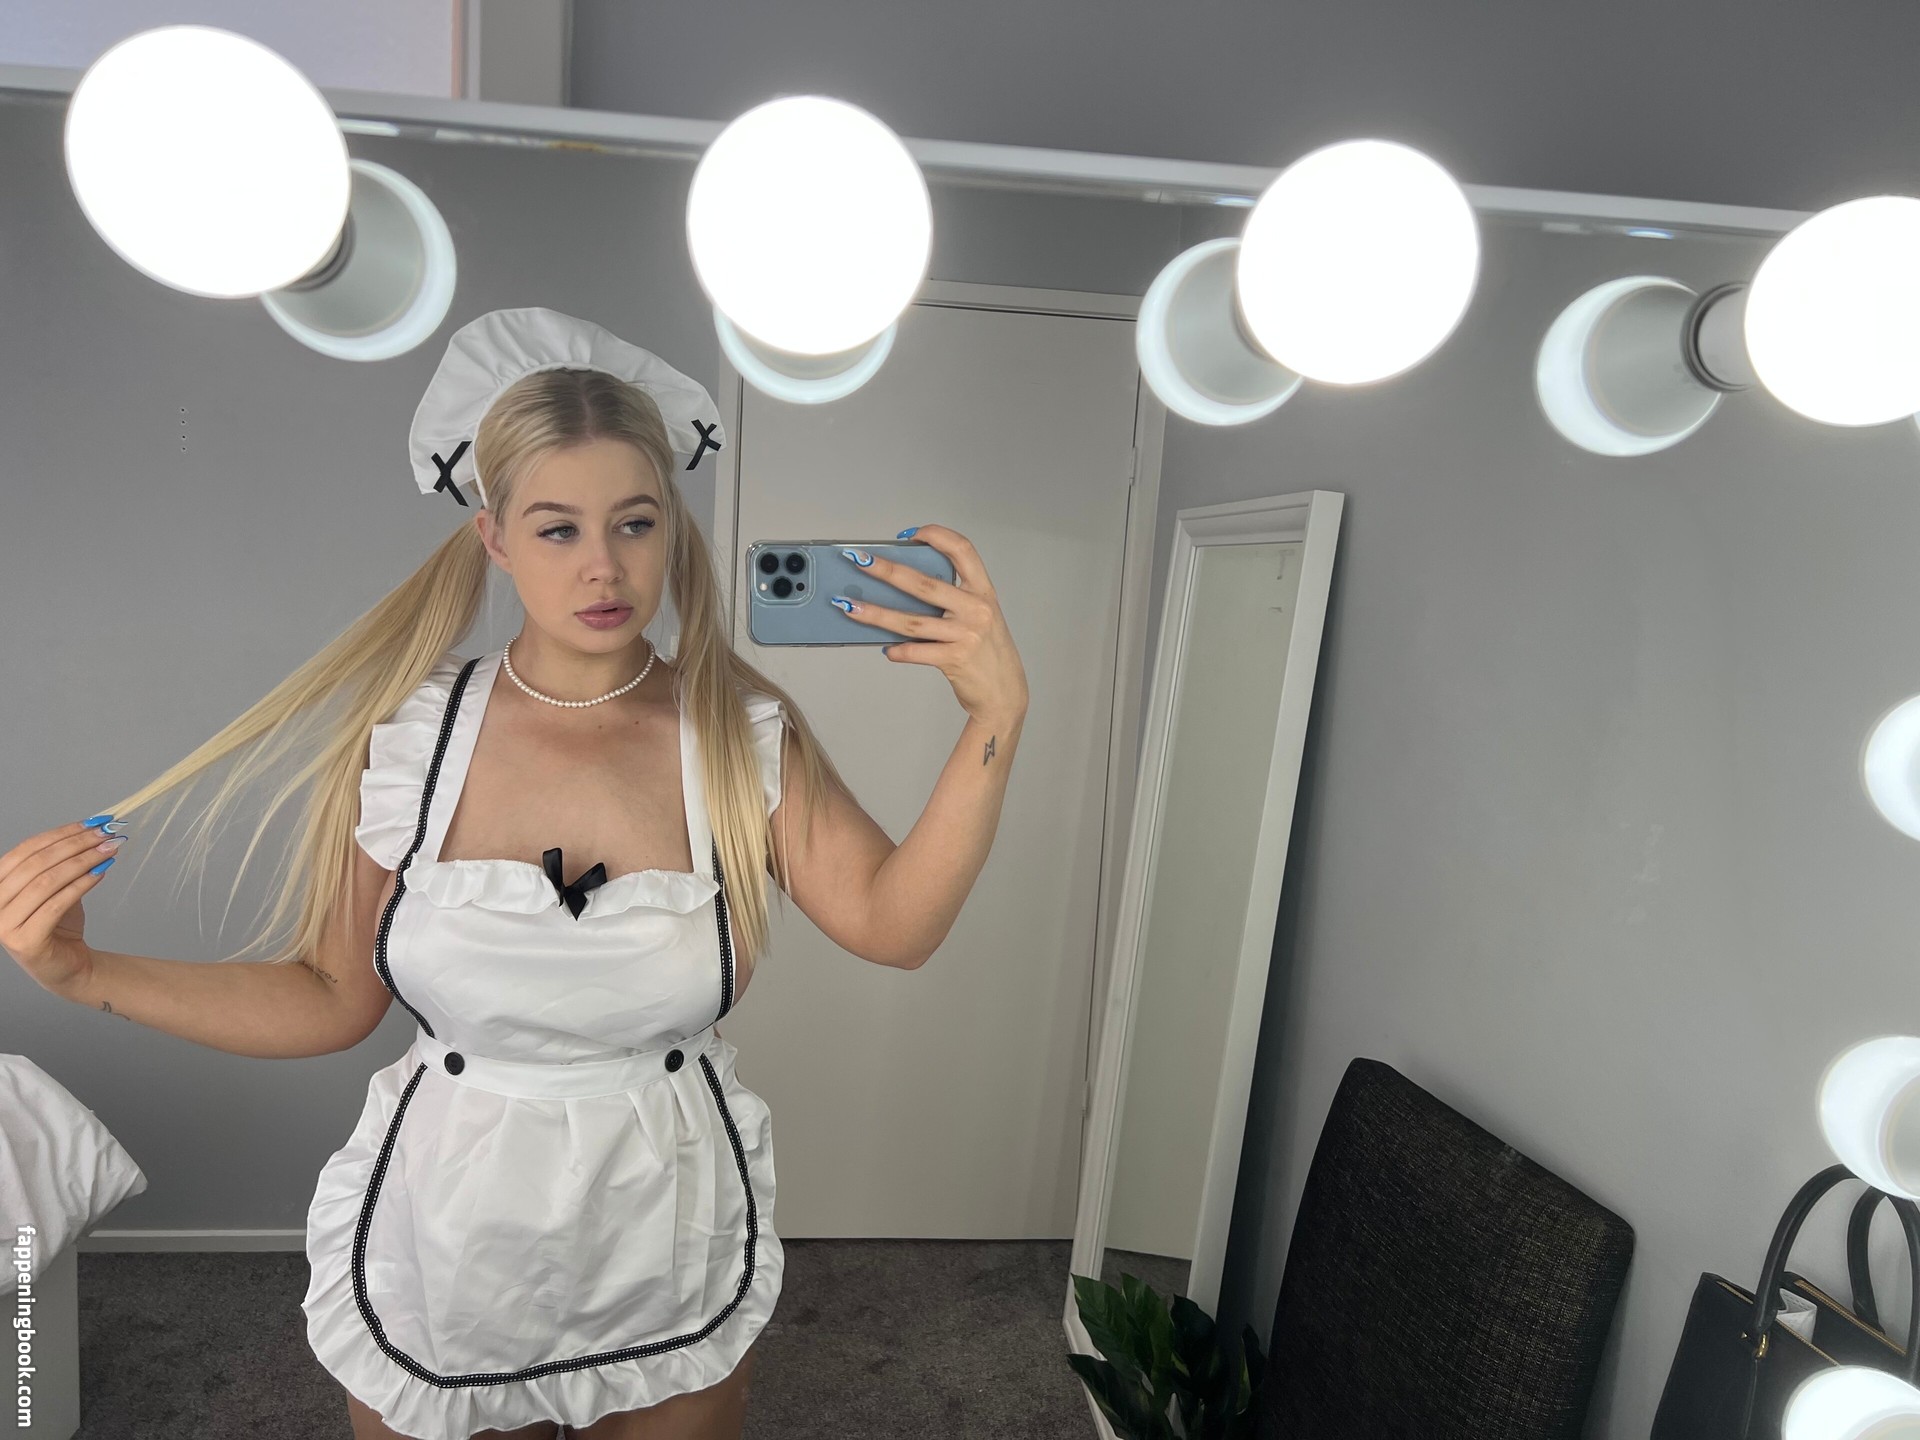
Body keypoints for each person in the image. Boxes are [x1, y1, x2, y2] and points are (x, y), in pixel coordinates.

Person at [0, 308, 1030, 1440]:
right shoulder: (411, 738)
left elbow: (895, 924)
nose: (604, 566)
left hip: (663, 1217)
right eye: (557, 528)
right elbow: (331, 997)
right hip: (451, 1225)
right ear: (494, 538)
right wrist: (85, 973)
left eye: (635, 523)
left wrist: (995, 718)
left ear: (670, 526)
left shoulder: (740, 732)